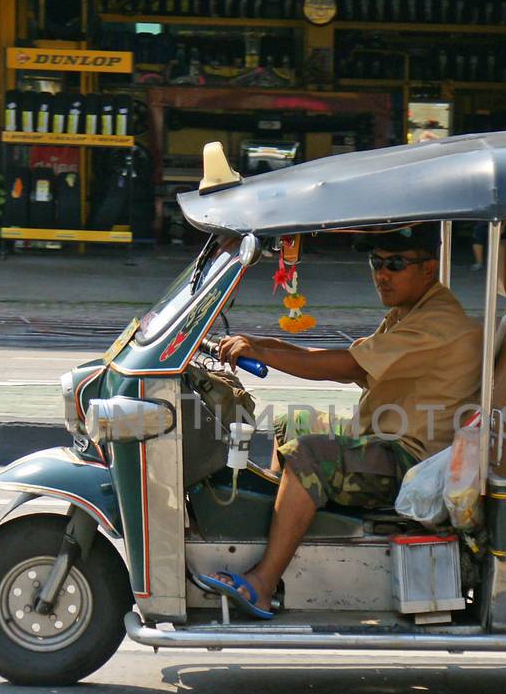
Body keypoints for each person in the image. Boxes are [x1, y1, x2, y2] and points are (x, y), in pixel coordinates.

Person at [204, 229, 483, 617]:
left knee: (309, 454)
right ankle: (281, 542)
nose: (382, 274)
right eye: (377, 263)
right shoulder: (411, 312)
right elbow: (351, 360)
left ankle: (263, 582)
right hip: (385, 441)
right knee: (291, 422)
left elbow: (346, 366)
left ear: (428, 269)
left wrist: (263, 353)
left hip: (410, 464)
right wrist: (260, 346)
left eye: (395, 265)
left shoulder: (437, 324)